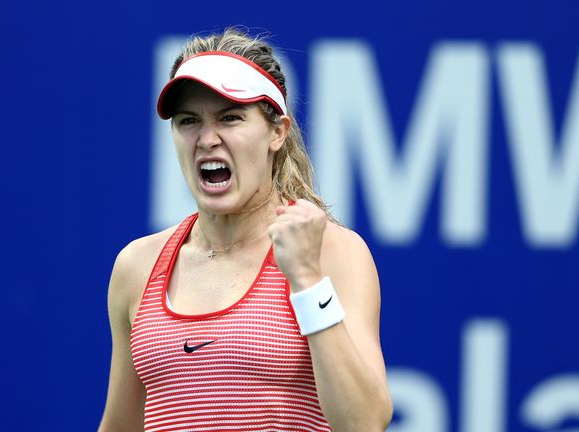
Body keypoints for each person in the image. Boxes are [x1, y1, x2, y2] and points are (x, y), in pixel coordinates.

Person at [99, 28, 392, 432]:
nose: (206, 139)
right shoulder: (136, 267)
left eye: (230, 118)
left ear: (277, 132)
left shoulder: (332, 253)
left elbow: (365, 423)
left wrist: (306, 278)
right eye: (189, 121)